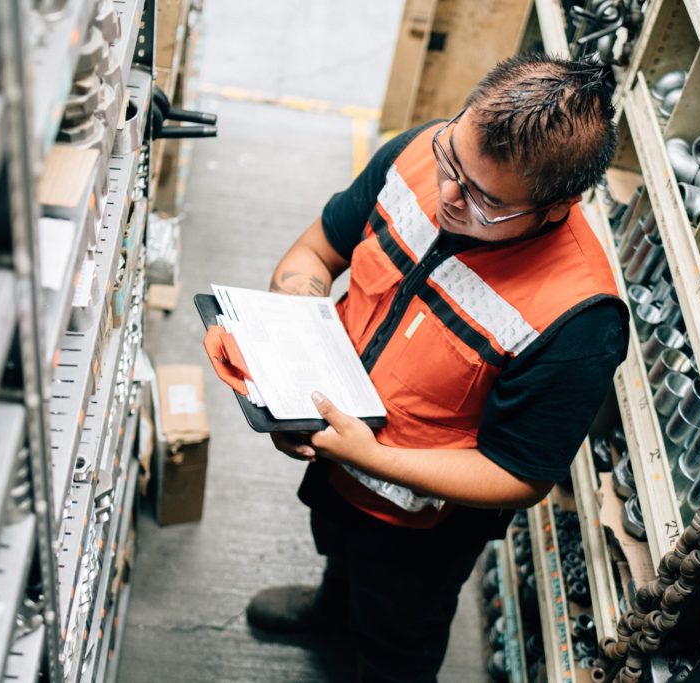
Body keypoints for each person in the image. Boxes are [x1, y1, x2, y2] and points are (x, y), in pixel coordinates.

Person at [246, 53, 629, 682]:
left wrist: (373, 458)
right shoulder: (419, 154)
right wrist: (292, 356)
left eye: (486, 200)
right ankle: (331, 610)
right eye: (453, 162)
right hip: (337, 460)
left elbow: (520, 473)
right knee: (337, 545)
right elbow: (316, 252)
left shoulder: (578, 317)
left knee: (398, 636)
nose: (448, 197)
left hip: (421, 527)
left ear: (561, 204)